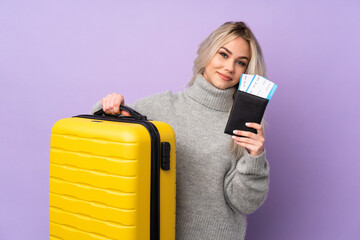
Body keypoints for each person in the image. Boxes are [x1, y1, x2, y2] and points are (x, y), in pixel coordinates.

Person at [91, 21, 269, 240]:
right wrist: (109, 108)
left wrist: (255, 158)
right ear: (207, 53)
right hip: (156, 233)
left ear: (247, 71)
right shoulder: (162, 106)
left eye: (240, 62)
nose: (229, 67)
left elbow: (245, 203)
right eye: (223, 54)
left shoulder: (243, 126)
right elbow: (101, 141)